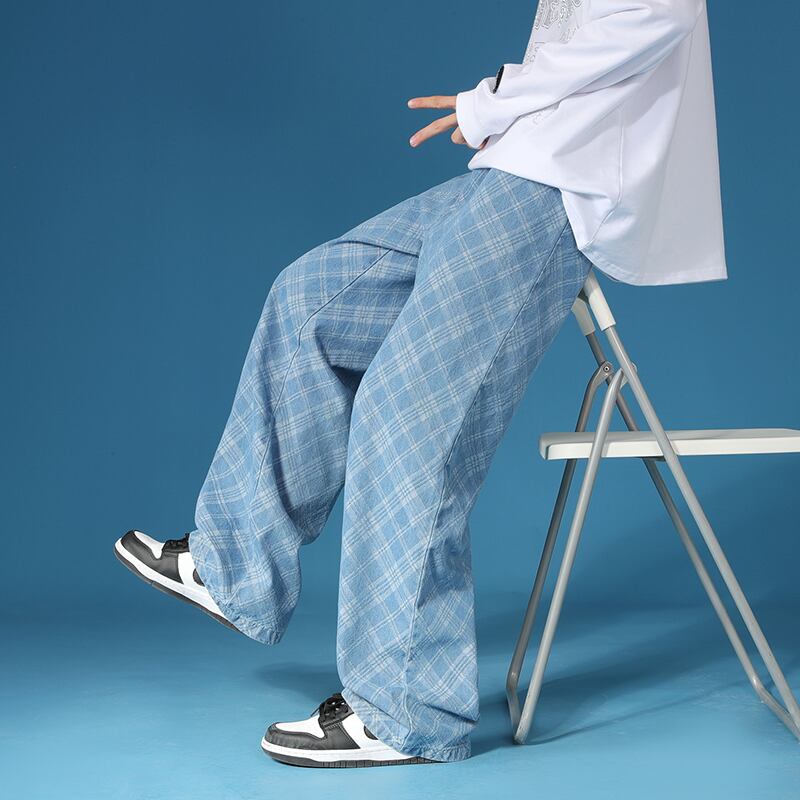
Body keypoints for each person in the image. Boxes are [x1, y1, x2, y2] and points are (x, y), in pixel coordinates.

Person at [114, 0, 725, 768]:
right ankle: (236, 565)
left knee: (408, 414)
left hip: (560, 187)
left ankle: (407, 709)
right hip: (515, 167)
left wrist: (493, 99)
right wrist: (502, 108)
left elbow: (647, 22)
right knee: (310, 303)